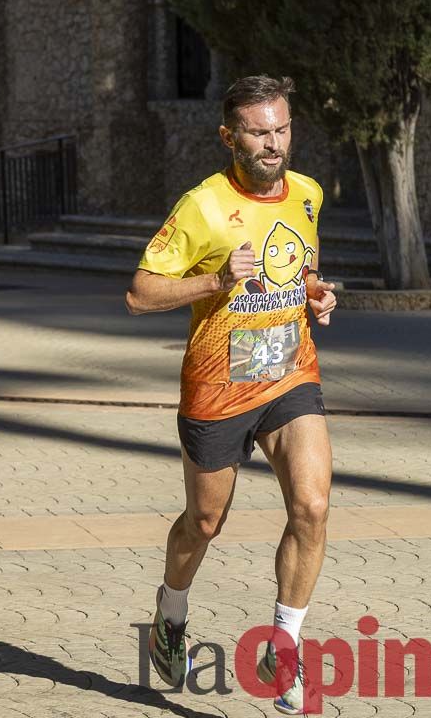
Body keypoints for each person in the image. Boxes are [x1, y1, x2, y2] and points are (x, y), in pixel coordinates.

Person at [126, 75, 337, 714]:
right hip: (219, 386)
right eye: (258, 132)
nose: (274, 144)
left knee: (313, 505)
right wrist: (214, 280)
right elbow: (139, 292)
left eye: (282, 129)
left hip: (289, 375)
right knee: (205, 522)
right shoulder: (204, 206)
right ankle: (171, 612)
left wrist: (314, 295)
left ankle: (283, 644)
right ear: (229, 136)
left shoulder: (307, 194)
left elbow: (299, 270)